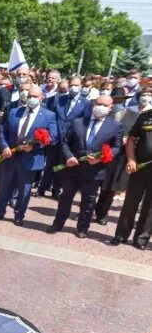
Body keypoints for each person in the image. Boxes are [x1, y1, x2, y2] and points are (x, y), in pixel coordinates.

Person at [47, 95, 121, 238]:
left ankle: (82, 228)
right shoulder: (78, 122)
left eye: (105, 105)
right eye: (98, 104)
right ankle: (58, 223)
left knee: (88, 201)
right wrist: (69, 156)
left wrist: (100, 158)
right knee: (65, 198)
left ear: (111, 108)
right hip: (73, 168)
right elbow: (65, 142)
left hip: (94, 171)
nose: (101, 107)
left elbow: (117, 148)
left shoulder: (115, 126)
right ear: (93, 104)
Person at [0, 85, 58, 226]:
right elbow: (3, 130)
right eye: (29, 96)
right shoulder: (15, 111)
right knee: (4, 186)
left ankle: (19, 215)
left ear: (41, 98)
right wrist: (4, 146)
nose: (31, 99)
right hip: (10, 155)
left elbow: (53, 137)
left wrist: (34, 146)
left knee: (24, 189)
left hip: (30, 158)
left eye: (35, 96)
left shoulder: (49, 115)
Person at [96, 87, 146, 225]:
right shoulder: (119, 112)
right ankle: (96, 211)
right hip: (111, 152)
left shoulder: (142, 115)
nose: (146, 97)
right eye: (144, 94)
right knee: (104, 184)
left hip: (130, 156)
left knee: (117, 186)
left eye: (149, 95)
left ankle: (105, 214)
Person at [111, 87, 152, 250]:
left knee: (150, 207)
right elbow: (131, 139)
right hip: (139, 167)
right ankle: (121, 234)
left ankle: (141, 239)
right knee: (130, 202)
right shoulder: (145, 116)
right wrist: (131, 158)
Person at [39, 76, 90, 199]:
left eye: (76, 85)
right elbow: (50, 116)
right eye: (72, 85)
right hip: (55, 138)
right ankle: (42, 188)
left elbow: (84, 123)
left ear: (81, 86)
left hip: (69, 141)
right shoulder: (60, 99)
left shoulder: (86, 103)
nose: (73, 87)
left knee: (62, 166)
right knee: (49, 164)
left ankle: (56, 190)